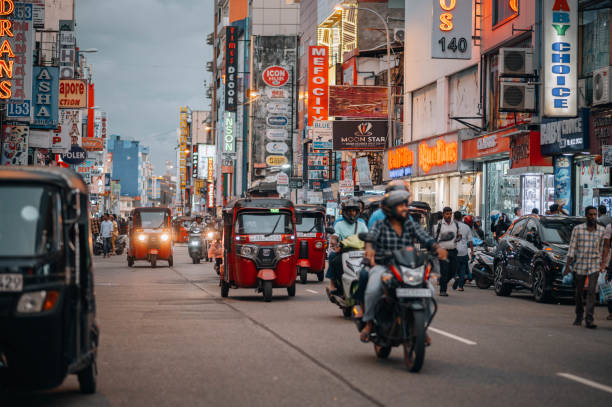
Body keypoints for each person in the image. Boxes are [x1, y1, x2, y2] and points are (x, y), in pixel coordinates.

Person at [360, 189, 447, 342]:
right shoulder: (380, 225)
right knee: (373, 289)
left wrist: (437, 248)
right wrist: (369, 250)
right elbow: (370, 239)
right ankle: (368, 323)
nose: (404, 208)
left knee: (429, 291)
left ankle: (421, 327)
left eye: (405, 205)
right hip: (384, 266)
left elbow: (424, 236)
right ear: (391, 209)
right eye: (400, 206)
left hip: (407, 268)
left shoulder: (410, 224)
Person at [564, 206, 609, 329]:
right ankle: (579, 315)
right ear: (586, 216)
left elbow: (603, 248)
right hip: (580, 266)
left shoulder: (601, 230)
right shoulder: (577, 229)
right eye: (590, 215)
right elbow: (572, 249)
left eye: (595, 215)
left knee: (591, 292)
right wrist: (567, 266)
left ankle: (589, 319)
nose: (593, 217)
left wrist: (603, 263)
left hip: (594, 265)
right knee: (579, 293)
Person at [326, 198, 368, 294]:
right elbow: (334, 236)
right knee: (333, 257)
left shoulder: (361, 225)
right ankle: (333, 283)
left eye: (354, 211)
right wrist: (333, 242)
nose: (352, 213)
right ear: (345, 212)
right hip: (344, 252)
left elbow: (367, 237)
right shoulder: (339, 224)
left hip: (360, 253)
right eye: (349, 211)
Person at [434, 207, 459, 296]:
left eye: (450, 214)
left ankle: (442, 282)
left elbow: (458, 235)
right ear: (443, 214)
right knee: (444, 271)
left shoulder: (455, 224)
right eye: (447, 214)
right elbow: (435, 238)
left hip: (453, 250)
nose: (449, 216)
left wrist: (458, 238)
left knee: (453, 271)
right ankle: (443, 290)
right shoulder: (439, 225)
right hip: (443, 251)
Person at [453, 211, 474, 291]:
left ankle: (456, 277)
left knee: (454, 267)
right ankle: (461, 287)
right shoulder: (466, 227)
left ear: (454, 218)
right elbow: (470, 241)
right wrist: (472, 251)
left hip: (454, 251)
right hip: (464, 252)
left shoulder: (452, 226)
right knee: (463, 269)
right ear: (461, 217)